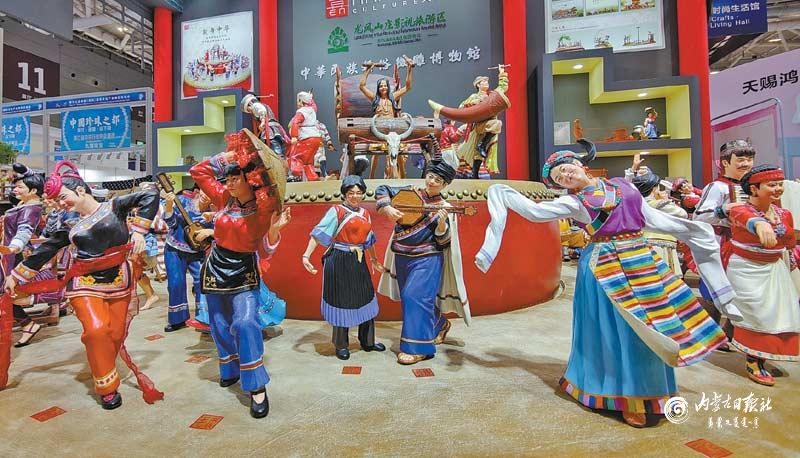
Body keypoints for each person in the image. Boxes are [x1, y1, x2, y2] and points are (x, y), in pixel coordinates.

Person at [475, 140, 739, 427]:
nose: (565, 176)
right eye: (559, 178)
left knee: (652, 326)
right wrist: (501, 193)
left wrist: (692, 232)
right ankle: (625, 397)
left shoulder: (623, 187)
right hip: (603, 266)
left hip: (641, 261)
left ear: (580, 165)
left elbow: (652, 218)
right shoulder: (574, 202)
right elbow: (534, 212)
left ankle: (653, 392)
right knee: (615, 331)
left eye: (566, 169)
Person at [3, 161, 163, 409]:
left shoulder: (115, 206)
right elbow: (45, 250)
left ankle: (104, 364)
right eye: (56, 201)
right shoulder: (70, 226)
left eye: (62, 197)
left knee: (115, 334)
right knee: (96, 331)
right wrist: (16, 276)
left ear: (80, 190)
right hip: (84, 282)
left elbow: (150, 194)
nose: (60, 204)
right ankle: (107, 386)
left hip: (119, 279)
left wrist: (140, 231)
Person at [190, 129, 291, 419]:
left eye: (236, 177)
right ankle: (230, 367)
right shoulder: (224, 198)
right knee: (219, 324)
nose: (230, 183)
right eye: (228, 178)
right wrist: (226, 157)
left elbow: (267, 250)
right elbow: (198, 172)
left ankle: (256, 384)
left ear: (251, 179)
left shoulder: (264, 211)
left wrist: (275, 230)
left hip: (244, 270)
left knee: (246, 323)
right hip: (214, 267)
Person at [375, 158, 470, 365]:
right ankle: (439, 324)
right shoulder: (411, 192)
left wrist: (442, 224)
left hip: (427, 258)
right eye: (430, 176)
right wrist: (387, 208)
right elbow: (382, 189)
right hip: (402, 255)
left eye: (438, 180)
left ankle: (417, 348)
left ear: (445, 185)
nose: (432, 181)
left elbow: (444, 242)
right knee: (413, 299)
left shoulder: (445, 208)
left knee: (414, 297)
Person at [725, 165, 799, 386]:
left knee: (777, 314)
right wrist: (759, 224)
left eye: (780, 184)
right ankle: (753, 360)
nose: (778, 189)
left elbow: (789, 242)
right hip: (747, 269)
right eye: (772, 185)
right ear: (754, 189)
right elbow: (746, 218)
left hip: (775, 268)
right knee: (756, 314)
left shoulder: (784, 214)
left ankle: (762, 353)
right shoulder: (740, 210)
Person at [302, 175, 386, 360]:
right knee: (341, 301)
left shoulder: (365, 213)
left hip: (358, 260)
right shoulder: (336, 211)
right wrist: (306, 256)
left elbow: (369, 240)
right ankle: (341, 344)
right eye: (351, 193)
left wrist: (373, 259)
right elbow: (318, 234)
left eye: (358, 192)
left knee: (365, 298)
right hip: (339, 260)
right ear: (345, 194)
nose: (355, 196)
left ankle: (368, 341)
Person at [695, 139, 756, 345]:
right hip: (721, 244)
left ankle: (729, 333)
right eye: (740, 159)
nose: (746, 164)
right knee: (714, 290)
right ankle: (709, 335)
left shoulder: (751, 187)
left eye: (749, 159)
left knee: (740, 290)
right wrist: (723, 211)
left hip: (744, 245)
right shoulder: (717, 187)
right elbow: (700, 216)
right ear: (725, 162)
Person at [0, 164, 46, 346]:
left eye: (20, 187)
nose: (15, 189)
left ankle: (28, 324)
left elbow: (24, 231)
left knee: (5, 291)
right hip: (8, 253)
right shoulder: (24, 205)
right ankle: (27, 324)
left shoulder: (31, 208)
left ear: (33, 190)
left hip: (13, 255)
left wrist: (14, 247)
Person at [162, 188, 213, 332]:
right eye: (204, 191)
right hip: (174, 248)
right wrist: (169, 205)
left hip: (198, 251)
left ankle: (203, 318)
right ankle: (177, 319)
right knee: (176, 283)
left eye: (209, 193)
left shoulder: (214, 210)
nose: (205, 196)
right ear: (199, 190)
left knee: (202, 283)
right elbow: (171, 224)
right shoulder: (183, 201)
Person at [631, 172, 688, 277]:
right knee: (664, 276)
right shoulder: (659, 204)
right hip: (661, 244)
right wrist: (665, 200)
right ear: (654, 189)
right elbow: (682, 214)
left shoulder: (635, 205)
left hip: (640, 242)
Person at [456, 67, 508, 179]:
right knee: (496, 125)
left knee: (496, 125)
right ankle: (474, 172)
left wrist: (502, 73)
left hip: (489, 126)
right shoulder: (474, 96)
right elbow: (461, 107)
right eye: (483, 81)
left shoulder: (491, 95)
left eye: (487, 81)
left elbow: (503, 88)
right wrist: (474, 103)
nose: (486, 83)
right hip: (478, 125)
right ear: (478, 85)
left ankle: (482, 146)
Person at [287, 91, 322, 182]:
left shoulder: (301, 112)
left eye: (298, 101)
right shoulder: (312, 110)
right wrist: (311, 98)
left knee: (295, 156)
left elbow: (295, 122)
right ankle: (313, 177)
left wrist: (294, 136)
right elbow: (314, 106)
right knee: (308, 162)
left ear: (300, 101)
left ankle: (296, 173)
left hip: (306, 138)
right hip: (316, 137)